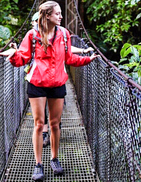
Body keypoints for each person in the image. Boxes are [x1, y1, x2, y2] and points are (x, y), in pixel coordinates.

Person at [0, 1, 98, 182]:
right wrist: (13, 55)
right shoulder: (32, 35)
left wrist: (86, 60)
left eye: (61, 13)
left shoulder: (64, 34)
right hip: (37, 82)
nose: (61, 16)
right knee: (38, 123)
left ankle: (54, 158)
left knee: (54, 124)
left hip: (57, 82)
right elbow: (23, 58)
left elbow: (69, 58)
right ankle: (38, 164)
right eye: (57, 14)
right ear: (47, 16)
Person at [29, 12, 94, 148]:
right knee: (40, 115)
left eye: (37, 21)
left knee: (54, 112)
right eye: (34, 22)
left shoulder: (59, 35)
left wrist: (83, 53)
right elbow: (23, 53)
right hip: (37, 79)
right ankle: (45, 134)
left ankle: (53, 132)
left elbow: (66, 51)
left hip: (56, 79)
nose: (35, 25)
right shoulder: (32, 36)